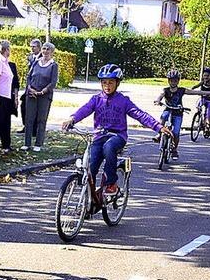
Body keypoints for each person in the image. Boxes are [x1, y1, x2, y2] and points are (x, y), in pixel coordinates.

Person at [62, 64, 172, 197]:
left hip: (117, 136)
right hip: (99, 136)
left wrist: (158, 127)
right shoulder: (96, 99)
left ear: (117, 83)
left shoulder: (123, 101)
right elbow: (84, 110)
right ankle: (89, 201)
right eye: (104, 82)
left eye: (111, 82)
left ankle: (111, 183)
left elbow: (140, 114)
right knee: (90, 165)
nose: (107, 86)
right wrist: (72, 119)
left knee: (109, 147)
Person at [153, 69, 210, 160]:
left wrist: (208, 92)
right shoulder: (165, 90)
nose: (173, 82)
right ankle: (159, 135)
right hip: (168, 110)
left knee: (176, 132)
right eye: (171, 80)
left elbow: (194, 92)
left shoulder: (181, 90)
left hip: (178, 113)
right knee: (163, 117)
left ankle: (174, 150)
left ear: (178, 81)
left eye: (175, 80)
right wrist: (158, 100)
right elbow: (160, 95)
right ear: (168, 81)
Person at [22, 42, 58, 152]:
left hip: (44, 96)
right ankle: (27, 143)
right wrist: (29, 88)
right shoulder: (36, 62)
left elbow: (53, 82)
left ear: (52, 52)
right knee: (29, 119)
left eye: (48, 49)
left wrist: (43, 91)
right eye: (44, 49)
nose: (45, 51)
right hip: (31, 94)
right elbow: (28, 77)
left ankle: (38, 143)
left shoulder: (53, 65)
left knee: (41, 120)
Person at [18, 38, 41, 135]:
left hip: (37, 87)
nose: (32, 49)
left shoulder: (42, 57)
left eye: (34, 47)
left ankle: (34, 129)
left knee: (35, 109)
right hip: (29, 86)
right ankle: (26, 126)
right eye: (31, 46)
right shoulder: (31, 57)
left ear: (39, 47)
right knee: (23, 106)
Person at [191, 67, 210, 137]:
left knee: (208, 113)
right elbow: (196, 86)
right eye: (204, 75)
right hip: (203, 98)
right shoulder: (203, 82)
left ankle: (207, 128)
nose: (206, 77)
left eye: (207, 76)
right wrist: (192, 89)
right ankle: (199, 116)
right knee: (198, 105)